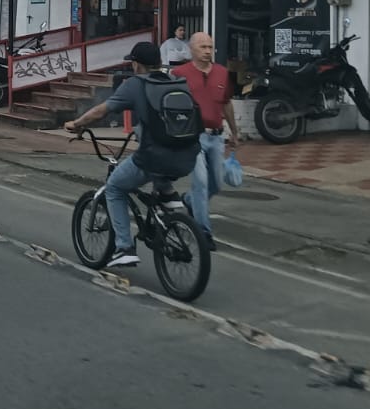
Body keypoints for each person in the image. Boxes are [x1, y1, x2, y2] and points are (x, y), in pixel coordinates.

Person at [64, 40, 203, 268]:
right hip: (186, 156)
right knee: (160, 174)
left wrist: (77, 123)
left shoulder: (135, 85)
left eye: (133, 63)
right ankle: (169, 199)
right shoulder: (177, 81)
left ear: (137, 65)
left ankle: (124, 248)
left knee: (115, 187)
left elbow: (102, 110)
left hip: (153, 157)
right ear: (158, 62)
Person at [171, 31, 240, 251]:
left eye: (210, 47)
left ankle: (190, 202)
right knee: (200, 182)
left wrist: (234, 132)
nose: (208, 51)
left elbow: (227, 103)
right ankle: (203, 232)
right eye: (203, 47)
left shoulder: (222, 73)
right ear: (191, 49)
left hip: (216, 136)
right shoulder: (179, 73)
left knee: (216, 184)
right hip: (192, 137)